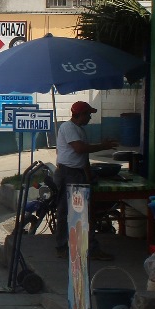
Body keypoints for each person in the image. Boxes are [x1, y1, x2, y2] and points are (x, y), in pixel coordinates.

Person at [54, 101, 117, 261]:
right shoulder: (68, 127)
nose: (89, 117)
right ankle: (65, 247)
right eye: (88, 114)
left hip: (77, 173)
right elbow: (79, 149)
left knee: (80, 213)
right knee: (69, 212)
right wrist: (103, 146)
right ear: (80, 115)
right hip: (68, 173)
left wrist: (88, 176)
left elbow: (83, 157)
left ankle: (83, 247)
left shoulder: (79, 131)